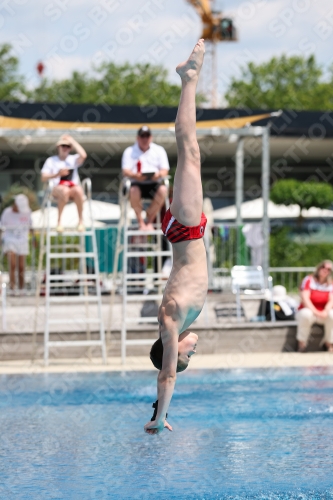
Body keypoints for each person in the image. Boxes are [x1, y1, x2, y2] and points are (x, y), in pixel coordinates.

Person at [144, 39, 207, 435]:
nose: (192, 350)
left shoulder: (169, 321)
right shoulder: (183, 322)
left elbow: (166, 377)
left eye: (186, 356)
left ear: (172, 350)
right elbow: (189, 343)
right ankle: (188, 80)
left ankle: (189, 80)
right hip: (188, 231)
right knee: (190, 152)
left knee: (190, 149)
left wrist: (159, 416)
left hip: (184, 227)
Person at [122, 126, 170, 230]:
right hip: (136, 183)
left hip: (154, 183)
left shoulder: (159, 150)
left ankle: (149, 221)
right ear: (137, 138)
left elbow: (165, 170)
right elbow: (125, 171)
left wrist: (157, 175)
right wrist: (135, 176)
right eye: (142, 136)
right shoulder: (129, 151)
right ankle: (141, 222)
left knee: (163, 190)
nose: (145, 139)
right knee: (133, 190)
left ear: (151, 137)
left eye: (147, 136)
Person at [41, 134, 87, 232]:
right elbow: (43, 177)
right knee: (64, 190)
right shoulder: (51, 160)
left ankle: (80, 221)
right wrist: (57, 174)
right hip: (56, 189)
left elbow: (83, 155)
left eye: (68, 146)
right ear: (58, 147)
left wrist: (72, 140)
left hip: (72, 188)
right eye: (63, 146)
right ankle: (59, 222)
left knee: (79, 190)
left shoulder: (73, 159)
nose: (65, 148)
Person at [297, 260, 333, 353]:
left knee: (332, 314)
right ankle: (302, 344)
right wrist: (316, 312)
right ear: (319, 268)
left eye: (328, 269)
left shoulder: (331, 284)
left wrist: (325, 311)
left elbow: (331, 300)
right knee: (306, 314)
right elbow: (305, 298)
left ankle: (329, 343)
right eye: (323, 267)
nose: (325, 270)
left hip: (323, 313)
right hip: (309, 311)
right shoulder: (309, 280)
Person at [0, 194, 32, 293]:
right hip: (10, 240)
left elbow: (31, 227)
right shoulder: (7, 212)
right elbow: (1, 227)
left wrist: (34, 239)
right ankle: (12, 287)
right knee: (12, 264)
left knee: (21, 266)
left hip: (22, 240)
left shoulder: (27, 212)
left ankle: (21, 289)